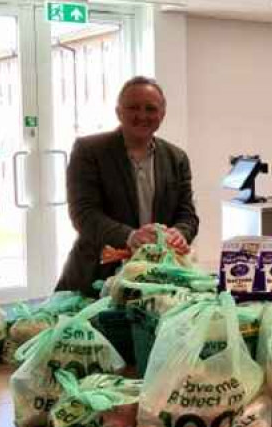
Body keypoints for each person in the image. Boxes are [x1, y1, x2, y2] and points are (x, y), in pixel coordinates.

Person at [56, 76, 199, 295]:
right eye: (133, 107)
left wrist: (179, 233)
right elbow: (83, 214)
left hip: (159, 278)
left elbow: (187, 214)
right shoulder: (89, 151)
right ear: (118, 112)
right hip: (98, 277)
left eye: (150, 109)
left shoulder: (177, 158)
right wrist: (130, 236)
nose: (142, 115)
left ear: (162, 114)